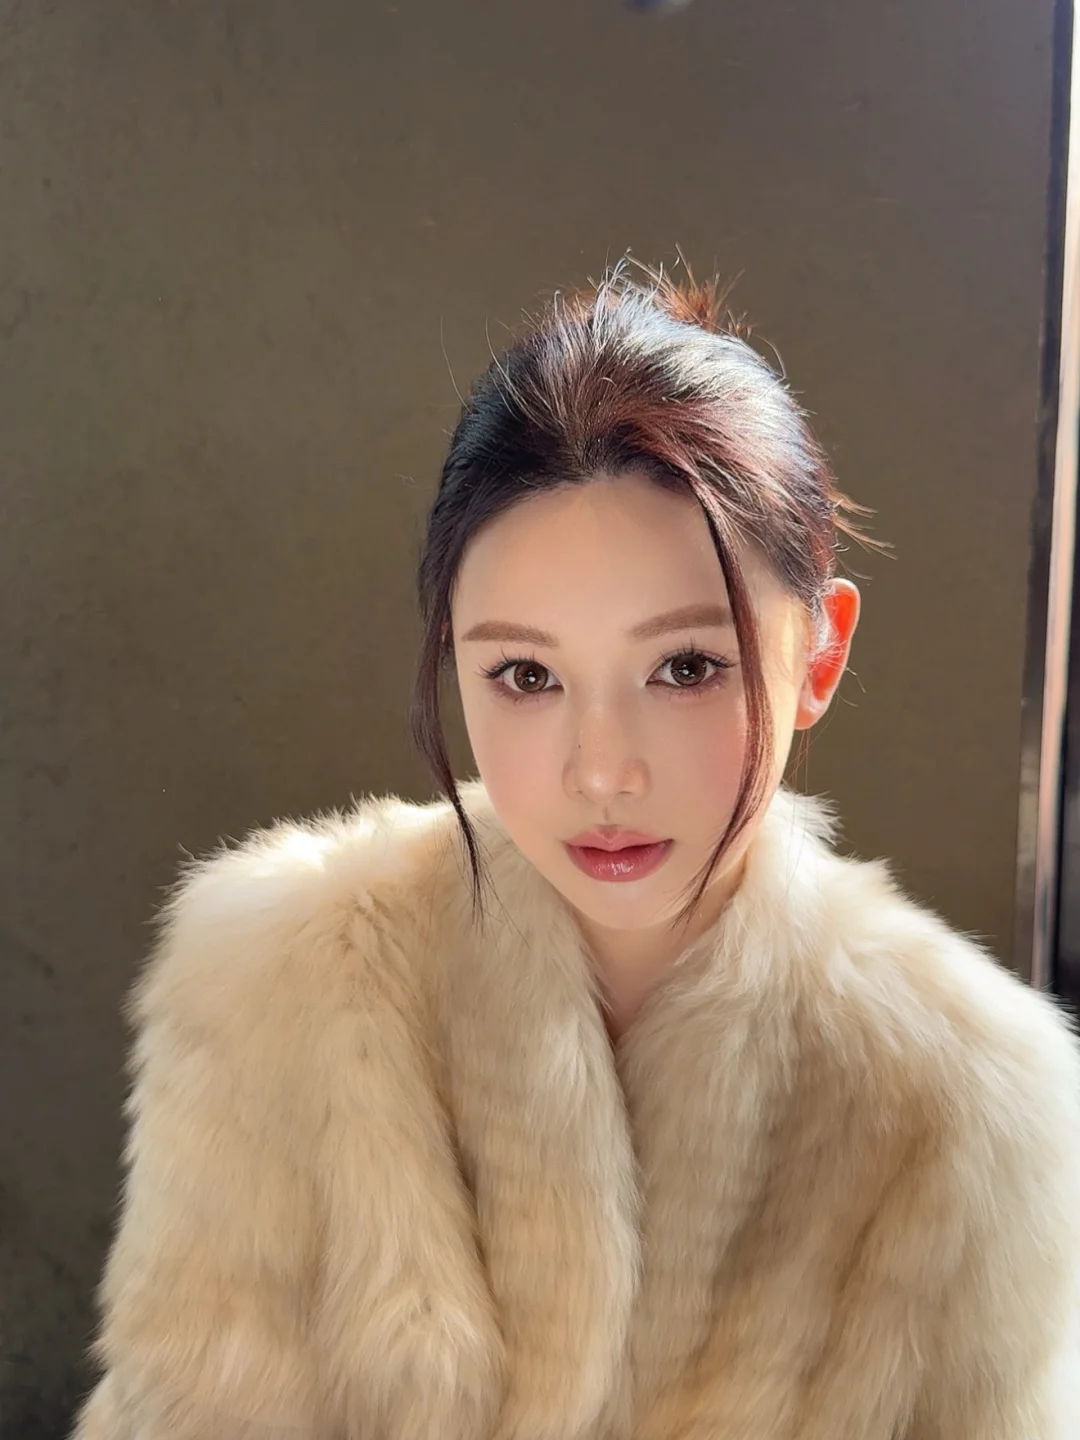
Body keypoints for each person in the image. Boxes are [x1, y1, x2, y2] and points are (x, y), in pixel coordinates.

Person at [72, 262, 1080, 1440]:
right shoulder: (279, 979)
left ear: (819, 654)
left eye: (686, 667)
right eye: (526, 675)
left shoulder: (973, 1102)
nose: (602, 773)